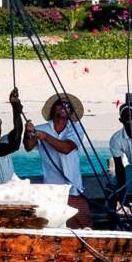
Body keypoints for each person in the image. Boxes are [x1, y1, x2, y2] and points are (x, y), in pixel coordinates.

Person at [32, 92, 91, 227]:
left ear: (71, 111)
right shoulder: (40, 129)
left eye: (68, 105)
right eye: (60, 104)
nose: (64, 106)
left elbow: (67, 148)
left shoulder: (77, 128)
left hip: (73, 188)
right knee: (54, 226)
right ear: (53, 108)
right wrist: (28, 134)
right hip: (52, 189)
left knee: (83, 225)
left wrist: (45, 137)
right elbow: (28, 146)